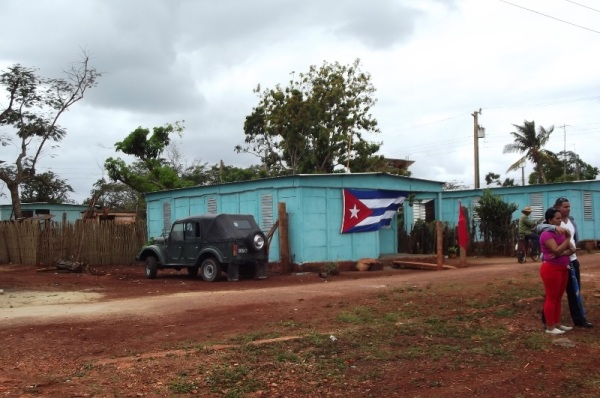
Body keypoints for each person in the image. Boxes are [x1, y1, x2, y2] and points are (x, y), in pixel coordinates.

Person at [537, 197, 593, 328]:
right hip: (554, 263)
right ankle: (548, 321)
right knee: (552, 294)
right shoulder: (550, 224)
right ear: (557, 208)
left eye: (569, 207)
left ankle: (579, 319)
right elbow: (539, 227)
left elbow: (573, 239)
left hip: (571, 260)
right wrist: (551, 227)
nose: (568, 209)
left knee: (574, 290)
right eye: (565, 207)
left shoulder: (571, 221)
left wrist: (570, 250)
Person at [539, 207, 573, 335]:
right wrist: (568, 239)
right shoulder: (546, 234)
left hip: (563, 268)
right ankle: (550, 327)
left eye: (560, 218)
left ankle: (557, 323)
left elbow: (572, 250)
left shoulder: (561, 232)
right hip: (551, 268)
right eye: (557, 219)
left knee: (558, 297)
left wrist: (563, 251)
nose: (560, 221)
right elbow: (556, 250)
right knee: (551, 297)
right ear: (549, 220)